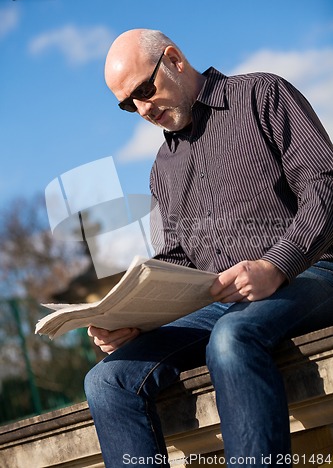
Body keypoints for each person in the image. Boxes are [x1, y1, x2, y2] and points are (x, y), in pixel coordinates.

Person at [84, 29, 333, 467]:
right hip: (224, 303)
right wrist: (131, 320)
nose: (142, 109)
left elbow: (324, 188)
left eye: (144, 90)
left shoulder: (263, 93)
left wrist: (277, 265)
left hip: (314, 274)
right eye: (128, 104)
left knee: (231, 337)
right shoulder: (162, 168)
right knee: (107, 380)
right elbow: (177, 259)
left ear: (175, 60)